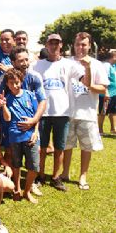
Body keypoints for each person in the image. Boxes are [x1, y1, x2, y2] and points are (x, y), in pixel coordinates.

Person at [33, 34, 91, 191]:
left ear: (61, 45)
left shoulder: (69, 64)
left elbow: (86, 82)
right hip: (43, 113)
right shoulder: (38, 65)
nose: (53, 46)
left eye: (56, 43)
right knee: (42, 147)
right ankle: (40, 175)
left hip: (62, 112)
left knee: (59, 148)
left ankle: (56, 177)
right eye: (51, 43)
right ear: (46, 45)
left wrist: (87, 68)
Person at [61, 32, 109, 190]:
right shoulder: (66, 62)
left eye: (83, 44)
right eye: (77, 44)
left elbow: (103, 89)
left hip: (87, 112)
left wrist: (89, 86)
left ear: (89, 46)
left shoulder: (97, 64)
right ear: (73, 45)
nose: (80, 47)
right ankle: (65, 172)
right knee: (67, 145)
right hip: (67, 112)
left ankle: (83, 176)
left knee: (86, 147)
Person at [0, 69, 40, 203]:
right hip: (14, 137)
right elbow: (8, 118)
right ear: (7, 84)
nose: (14, 85)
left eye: (17, 82)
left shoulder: (30, 95)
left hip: (30, 136)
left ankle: (27, 191)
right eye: (11, 83)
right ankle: (17, 188)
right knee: (16, 164)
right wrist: (3, 106)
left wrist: (36, 132)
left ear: (21, 82)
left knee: (34, 166)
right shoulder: (7, 98)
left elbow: (36, 116)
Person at [98, 50, 116, 135]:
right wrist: (106, 92)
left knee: (113, 111)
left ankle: (113, 129)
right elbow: (103, 80)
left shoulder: (114, 66)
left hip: (114, 93)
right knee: (103, 112)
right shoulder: (106, 66)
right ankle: (100, 130)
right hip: (106, 94)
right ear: (113, 56)